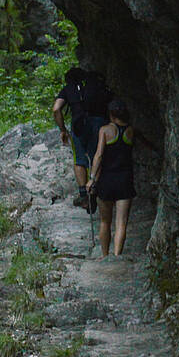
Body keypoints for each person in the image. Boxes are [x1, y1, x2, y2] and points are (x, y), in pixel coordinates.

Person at [52, 68, 110, 208]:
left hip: (79, 125)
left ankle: (84, 196)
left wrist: (63, 129)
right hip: (99, 123)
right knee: (97, 155)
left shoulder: (68, 89)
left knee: (79, 160)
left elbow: (56, 109)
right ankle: (96, 189)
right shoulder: (95, 86)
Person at [88, 99, 139, 257]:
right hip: (125, 180)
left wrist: (92, 178)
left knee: (105, 222)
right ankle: (117, 256)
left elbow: (99, 155)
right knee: (121, 223)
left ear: (111, 114)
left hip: (107, 180)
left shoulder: (105, 130)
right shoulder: (131, 131)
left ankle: (104, 255)